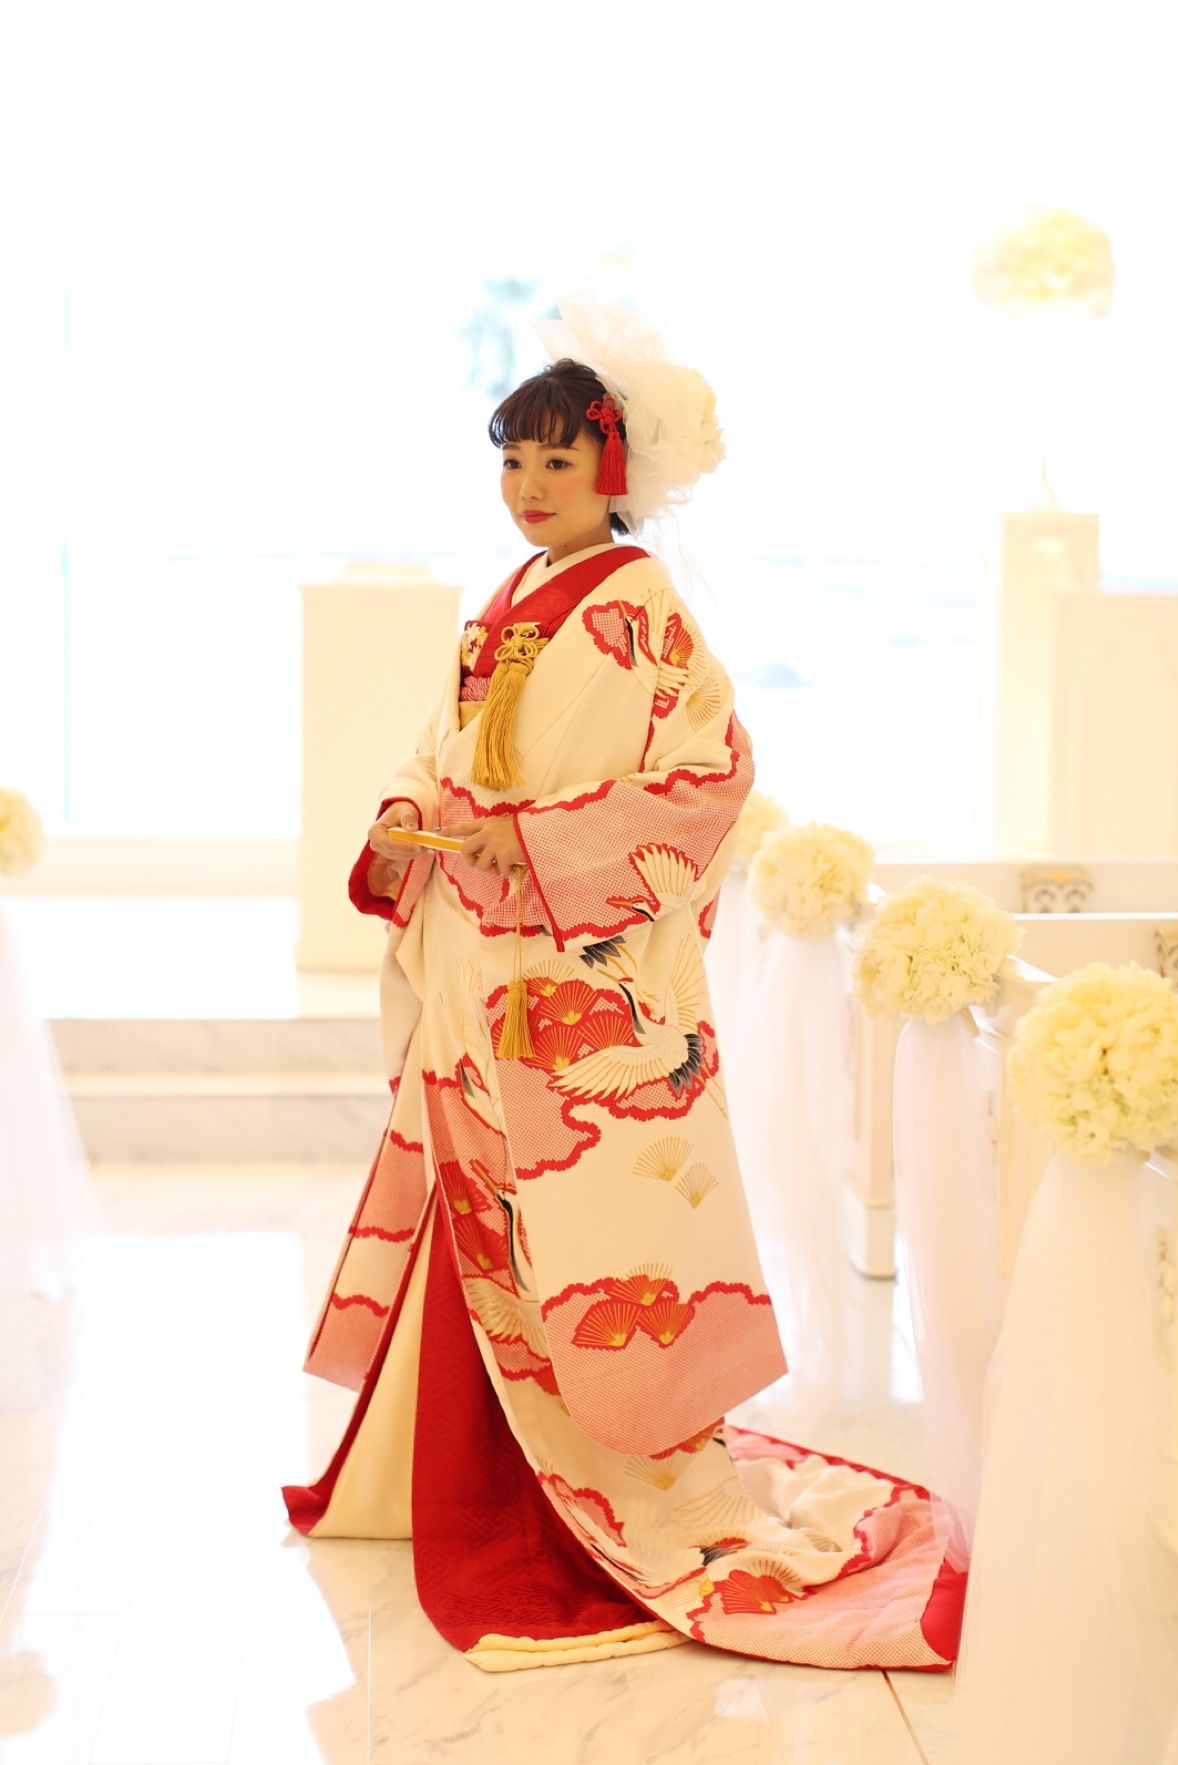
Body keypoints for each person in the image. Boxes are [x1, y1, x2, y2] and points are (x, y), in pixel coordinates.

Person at [283, 297, 968, 1674]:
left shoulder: (642, 606)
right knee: (484, 1215)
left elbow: (707, 779)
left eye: (556, 461)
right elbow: (441, 747)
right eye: (512, 460)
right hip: (479, 953)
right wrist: (412, 815)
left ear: (614, 472)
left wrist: (534, 839)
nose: (529, 486)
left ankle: (593, 1497)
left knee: (587, 1236)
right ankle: (469, 1481)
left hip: (571, 975)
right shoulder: (504, 601)